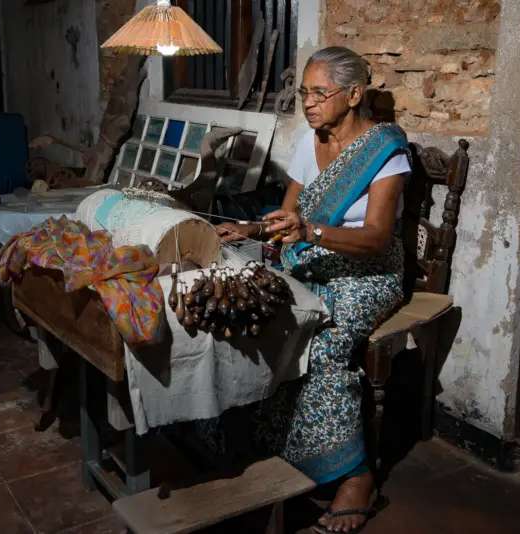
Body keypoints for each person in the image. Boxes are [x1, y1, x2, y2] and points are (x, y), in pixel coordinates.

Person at [214, 46, 411, 533]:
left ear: (354, 94)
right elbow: (290, 215)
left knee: (323, 342)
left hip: (369, 272)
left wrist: (310, 232)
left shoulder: (385, 152)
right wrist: (252, 230)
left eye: (320, 93)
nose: (308, 102)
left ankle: (356, 478)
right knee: (263, 315)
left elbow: (377, 237)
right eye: (305, 92)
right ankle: (276, 442)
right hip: (315, 260)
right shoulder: (310, 143)